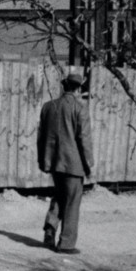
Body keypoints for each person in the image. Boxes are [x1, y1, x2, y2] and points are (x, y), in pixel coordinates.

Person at [38, 69, 94, 254]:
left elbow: (41, 137)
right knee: (72, 202)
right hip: (73, 164)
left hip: (55, 162)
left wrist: (44, 161)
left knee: (60, 195)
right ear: (78, 89)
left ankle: (50, 227)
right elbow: (84, 139)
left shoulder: (48, 107)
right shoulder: (80, 108)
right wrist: (89, 164)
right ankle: (66, 244)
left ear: (65, 87)